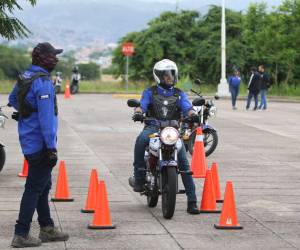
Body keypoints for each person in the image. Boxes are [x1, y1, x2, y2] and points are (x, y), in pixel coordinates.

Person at [8, 42, 69, 248]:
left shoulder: (26, 76)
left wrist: (26, 112)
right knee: (34, 188)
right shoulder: (43, 82)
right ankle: (21, 233)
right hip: (40, 144)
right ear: (44, 59)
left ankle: (47, 228)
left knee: (43, 186)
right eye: (53, 56)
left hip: (27, 139)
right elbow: (46, 120)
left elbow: (13, 99)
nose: (56, 59)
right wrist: (51, 148)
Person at [128, 59, 200, 214]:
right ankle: (139, 179)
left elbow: (188, 107)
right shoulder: (150, 92)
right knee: (140, 141)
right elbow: (142, 105)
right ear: (159, 76)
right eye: (166, 75)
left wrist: (193, 115)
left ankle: (192, 201)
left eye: (172, 74)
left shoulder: (179, 93)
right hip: (153, 127)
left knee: (184, 164)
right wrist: (138, 113)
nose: (170, 77)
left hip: (172, 129)